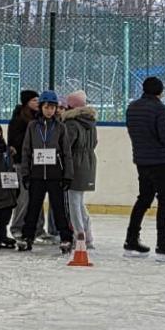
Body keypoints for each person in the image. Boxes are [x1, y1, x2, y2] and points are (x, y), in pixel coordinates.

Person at [123, 77, 165, 260]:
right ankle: (163, 243)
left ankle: (131, 239)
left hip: (142, 160)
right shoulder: (159, 109)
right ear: (160, 91)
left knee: (144, 199)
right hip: (161, 161)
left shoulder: (132, 107)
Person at [18, 90, 74, 252]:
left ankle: (66, 238)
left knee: (59, 208)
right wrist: (25, 173)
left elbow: (66, 153)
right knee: (33, 208)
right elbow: (26, 150)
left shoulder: (60, 127)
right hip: (36, 174)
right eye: (46, 107)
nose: (49, 110)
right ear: (41, 107)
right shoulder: (32, 126)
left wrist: (67, 175)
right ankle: (27, 237)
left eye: (52, 107)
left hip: (55, 175)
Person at [60, 90, 99, 252]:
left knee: (73, 202)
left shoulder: (71, 123)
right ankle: (88, 235)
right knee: (79, 201)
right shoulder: (90, 123)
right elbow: (95, 142)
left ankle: (80, 234)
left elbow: (66, 146)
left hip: (75, 164)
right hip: (89, 162)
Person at [6, 89, 42, 239]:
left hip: (38, 163)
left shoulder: (39, 119)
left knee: (38, 197)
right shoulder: (18, 120)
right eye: (34, 100)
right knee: (24, 197)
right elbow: (14, 143)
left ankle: (38, 229)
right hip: (21, 164)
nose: (37, 103)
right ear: (27, 102)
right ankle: (17, 227)